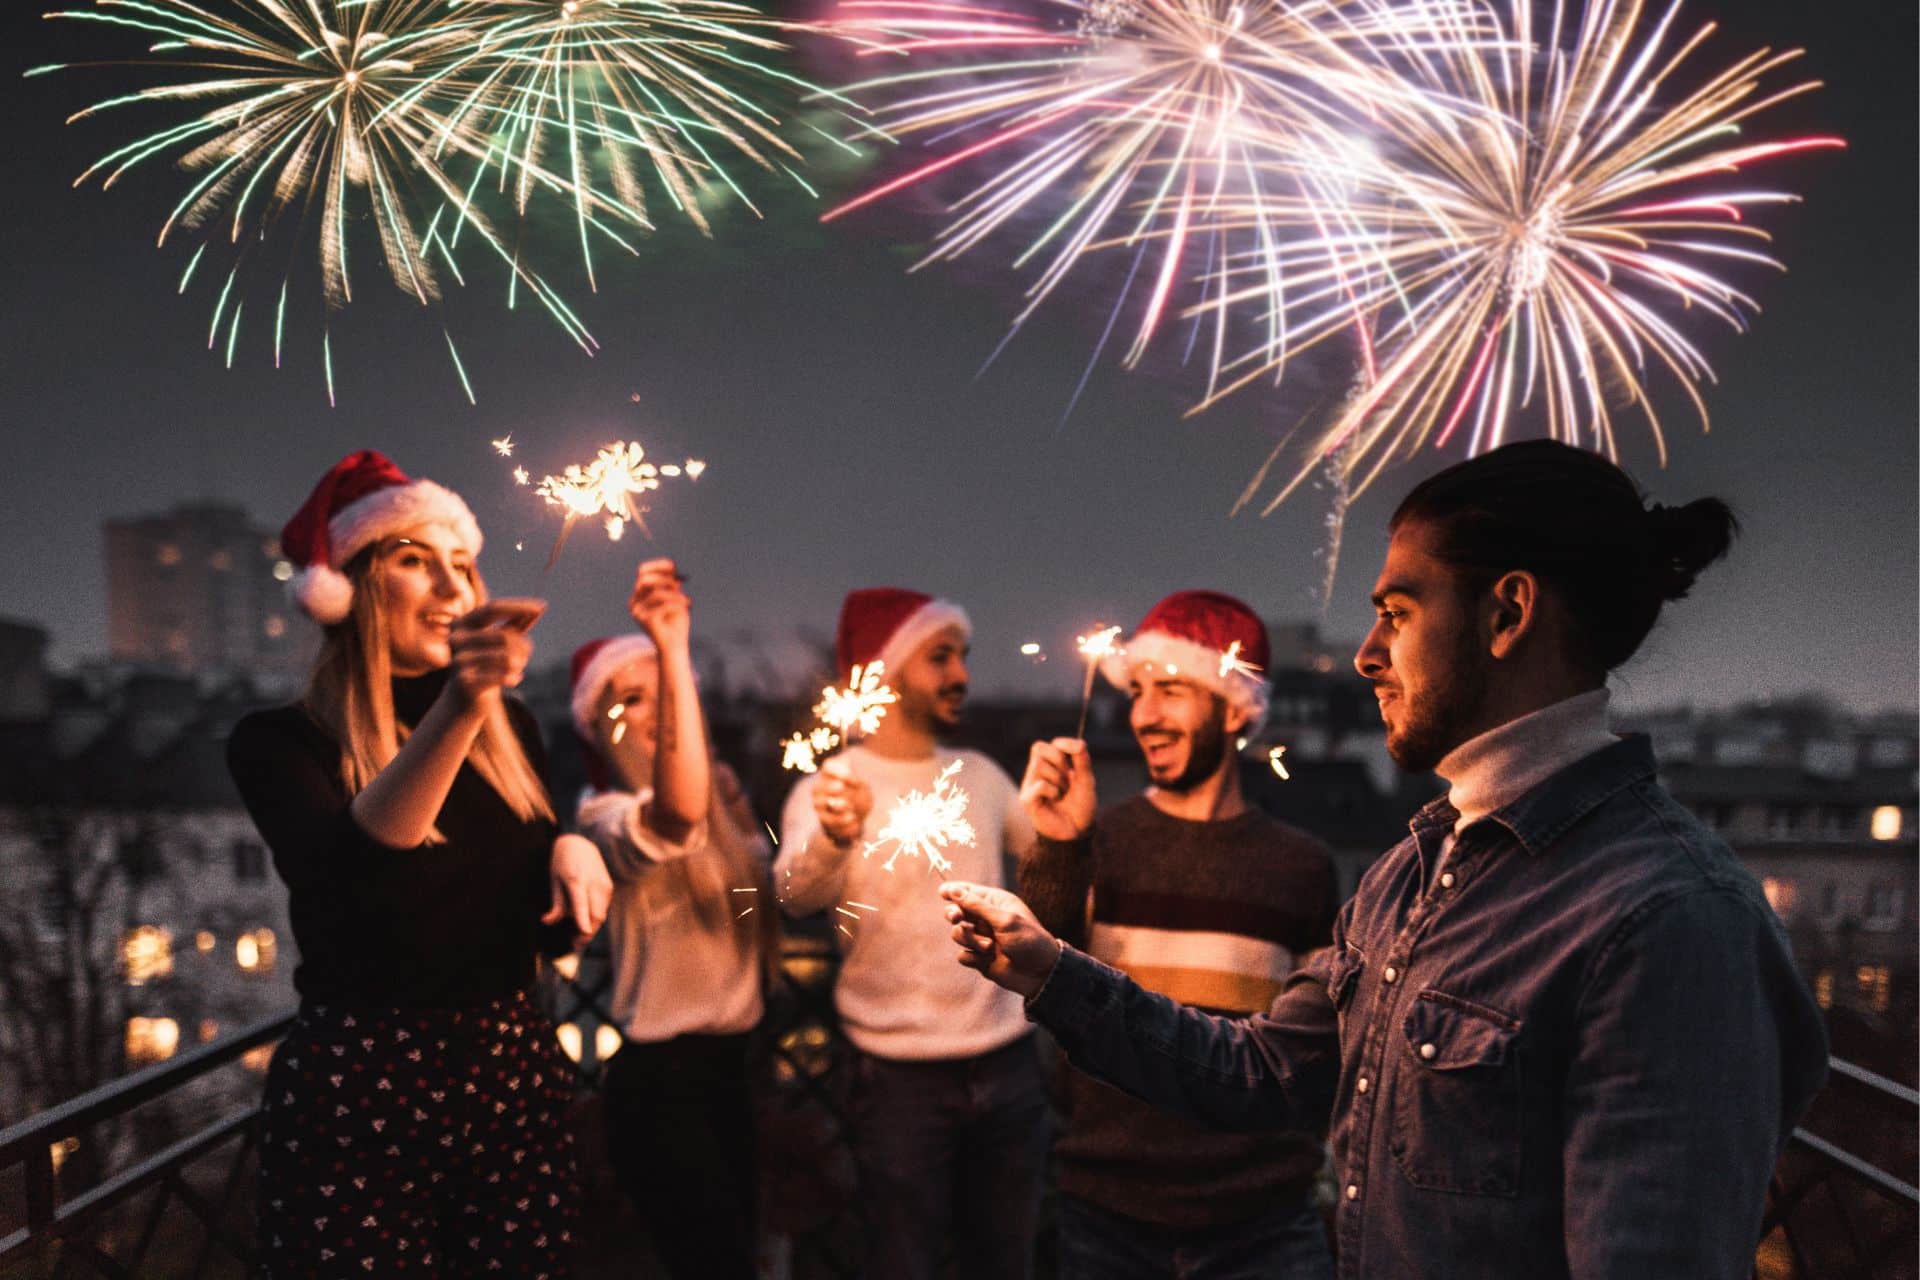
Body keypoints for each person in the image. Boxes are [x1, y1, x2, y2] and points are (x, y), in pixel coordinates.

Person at [942, 440, 1830, 1280]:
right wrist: (1050, 968)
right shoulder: (1414, 868)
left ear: (1508, 613)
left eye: (1398, 614)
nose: (1366, 655)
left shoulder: (1670, 920)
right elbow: (1263, 1073)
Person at [228, 449, 610, 1278]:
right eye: (413, 562)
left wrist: (567, 845)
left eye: (463, 566)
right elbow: (354, 889)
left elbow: (529, 931)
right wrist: (461, 710)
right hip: (360, 1099)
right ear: (353, 586)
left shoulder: (516, 735)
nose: (451, 588)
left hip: (513, 1083)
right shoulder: (282, 743)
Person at [1019, 590, 1337, 1280]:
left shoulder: (1302, 866)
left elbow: (1312, 1058)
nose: (1143, 715)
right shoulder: (1099, 840)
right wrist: (1056, 845)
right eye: (1136, 690)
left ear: (1235, 707)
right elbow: (1032, 973)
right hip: (1109, 1218)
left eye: (1169, 689)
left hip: (1265, 1223)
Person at [776, 587, 1045, 1280]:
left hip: (1008, 1061)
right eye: (940, 657)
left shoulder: (981, 777)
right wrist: (834, 839)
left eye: (962, 657)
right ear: (886, 671)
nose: (961, 675)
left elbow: (1052, 864)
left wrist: (1062, 818)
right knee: (903, 1263)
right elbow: (792, 896)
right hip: (895, 1079)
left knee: (1006, 1261)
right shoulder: (832, 785)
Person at [567, 557, 774, 1280]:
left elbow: (762, 905)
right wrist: (673, 645)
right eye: (630, 698)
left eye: (666, 692)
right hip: (659, 1091)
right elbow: (672, 816)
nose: (654, 711)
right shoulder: (602, 818)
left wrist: (823, 838)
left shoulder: (718, 797)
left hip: (732, 1075)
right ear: (594, 728)